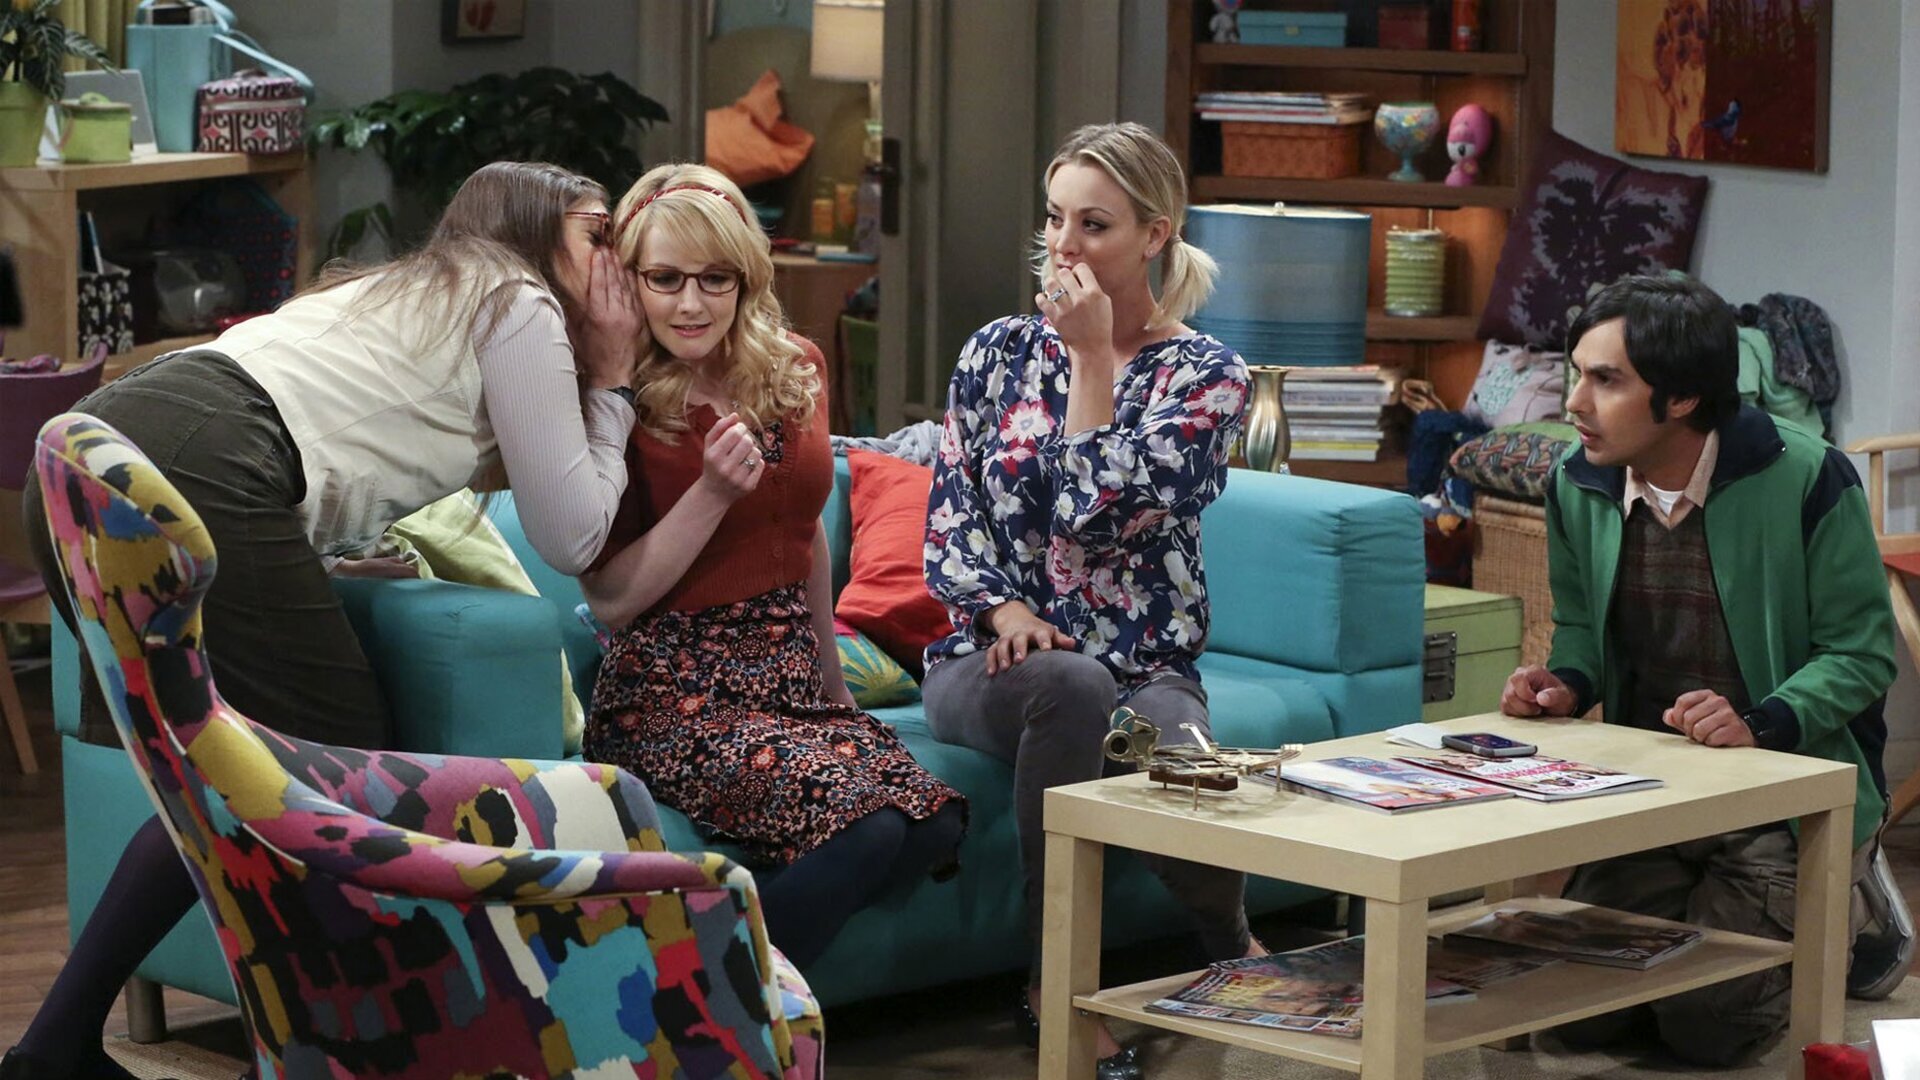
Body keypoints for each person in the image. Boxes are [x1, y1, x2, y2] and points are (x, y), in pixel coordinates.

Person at [6, 161, 644, 1080]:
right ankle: (326, 1053)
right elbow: (574, 533)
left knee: (217, 777)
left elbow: (320, 421)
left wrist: (316, 555)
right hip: (193, 464)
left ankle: (56, 1047)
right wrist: (614, 384)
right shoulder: (519, 301)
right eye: (598, 234)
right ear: (534, 235)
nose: (618, 261)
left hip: (85, 456)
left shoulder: (409, 291)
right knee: (328, 771)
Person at [1501, 273, 1910, 1064]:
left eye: (1606, 380)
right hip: (1653, 793)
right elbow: (1581, 626)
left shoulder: (1809, 476)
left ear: (1683, 397)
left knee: (1709, 1028)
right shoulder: (1576, 480)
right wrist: (1566, 683)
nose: (1575, 403)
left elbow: (1860, 654)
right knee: (1572, 1016)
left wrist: (1757, 722)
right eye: (1577, 374)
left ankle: (1853, 893)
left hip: (1783, 795)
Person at [920, 122, 1256, 1080]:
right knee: (1069, 686)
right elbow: (949, 521)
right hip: (992, 662)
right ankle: (1056, 984)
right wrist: (1002, 612)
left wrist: (1095, 361)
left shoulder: (1207, 380)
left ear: (1156, 234)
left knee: (1180, 762)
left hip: (1145, 665)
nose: (1063, 245)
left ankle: (1230, 938)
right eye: (1055, 217)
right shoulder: (994, 352)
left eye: (1094, 224)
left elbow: (1089, 514)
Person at [581, 163, 965, 971]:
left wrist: (833, 685)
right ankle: (700, 1009)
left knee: (935, 821)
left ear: (746, 280)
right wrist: (712, 493)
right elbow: (611, 600)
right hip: (673, 692)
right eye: (665, 279)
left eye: (715, 279)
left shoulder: (795, 367)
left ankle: (717, 964)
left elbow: (805, 532)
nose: (691, 303)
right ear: (631, 280)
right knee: (868, 826)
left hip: (792, 677)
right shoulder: (618, 396)